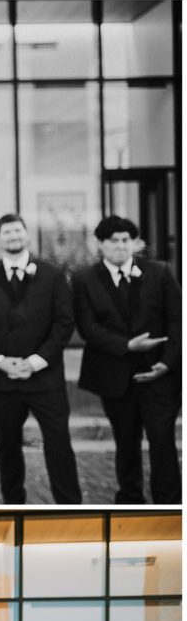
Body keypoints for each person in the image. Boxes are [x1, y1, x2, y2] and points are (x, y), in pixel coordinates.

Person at [0, 213, 82, 504]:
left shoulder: (52, 274)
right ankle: (13, 504)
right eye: (7, 232)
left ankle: (69, 505)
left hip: (45, 378)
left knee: (58, 444)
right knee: (7, 448)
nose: (13, 236)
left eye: (18, 231)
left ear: (26, 234)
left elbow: (64, 322)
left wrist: (36, 361)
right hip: (1, 381)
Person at [72, 215, 181, 504]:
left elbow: (177, 320)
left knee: (162, 440)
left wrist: (167, 364)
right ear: (101, 245)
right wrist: (127, 345)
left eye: (126, 240)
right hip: (115, 376)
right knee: (126, 442)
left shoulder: (160, 272)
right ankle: (131, 500)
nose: (121, 246)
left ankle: (169, 504)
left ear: (134, 243)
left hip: (161, 376)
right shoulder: (84, 279)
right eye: (113, 241)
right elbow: (87, 327)